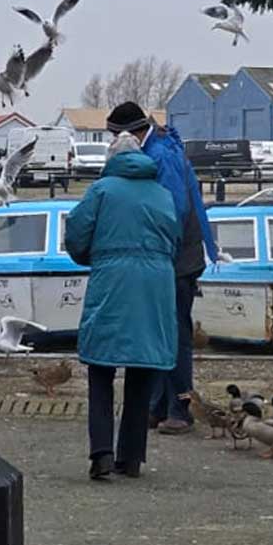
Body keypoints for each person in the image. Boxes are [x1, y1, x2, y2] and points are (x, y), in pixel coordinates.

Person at [63, 130, 180, 481]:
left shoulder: (101, 190)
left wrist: (94, 257)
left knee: (101, 369)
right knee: (143, 369)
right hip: (156, 284)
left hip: (112, 280)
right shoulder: (162, 193)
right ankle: (131, 458)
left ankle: (101, 453)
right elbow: (174, 240)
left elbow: (76, 234)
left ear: (111, 159)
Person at [104, 101, 218, 434]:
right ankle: (157, 407)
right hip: (180, 257)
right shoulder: (163, 147)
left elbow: (173, 212)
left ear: (127, 134)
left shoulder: (160, 156)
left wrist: (155, 253)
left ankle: (180, 410)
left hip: (175, 260)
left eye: (113, 136)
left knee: (174, 335)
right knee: (161, 332)